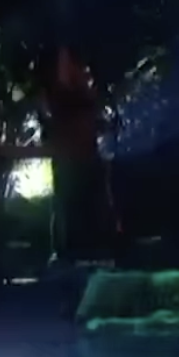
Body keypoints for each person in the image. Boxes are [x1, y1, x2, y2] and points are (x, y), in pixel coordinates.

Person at [42, 47, 121, 263]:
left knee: (91, 203)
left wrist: (104, 125)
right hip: (70, 160)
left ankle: (97, 249)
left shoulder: (83, 92)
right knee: (69, 205)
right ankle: (66, 252)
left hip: (87, 158)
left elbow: (90, 120)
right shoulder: (60, 94)